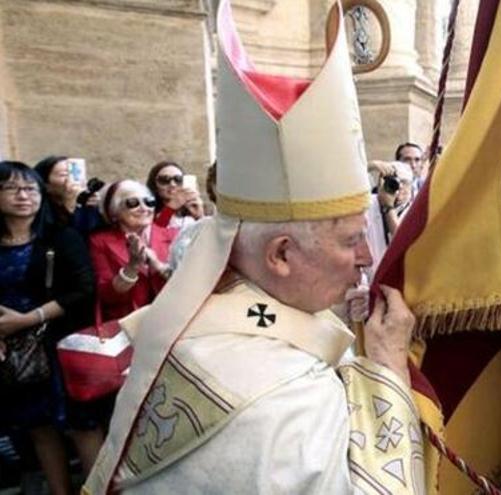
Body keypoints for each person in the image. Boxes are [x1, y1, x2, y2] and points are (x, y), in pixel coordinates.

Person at [83, 2, 430, 492]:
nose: (367, 258)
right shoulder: (284, 400)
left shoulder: (197, 326)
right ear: (281, 255)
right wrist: (390, 364)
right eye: (352, 240)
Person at [0, 161, 102, 494]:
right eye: (12, 188)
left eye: (30, 188)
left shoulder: (60, 236)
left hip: (60, 341)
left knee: (81, 424)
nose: (23, 195)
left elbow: (83, 289)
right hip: (15, 354)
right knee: (38, 427)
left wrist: (27, 320)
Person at [89, 180, 176, 321]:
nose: (144, 208)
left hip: (172, 319)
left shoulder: (173, 235)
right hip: (126, 325)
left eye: (149, 202)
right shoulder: (99, 241)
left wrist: (158, 266)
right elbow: (107, 296)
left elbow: (188, 283)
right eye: (132, 203)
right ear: (114, 212)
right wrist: (133, 266)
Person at [33, 156, 104, 236]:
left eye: (75, 173)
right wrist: (69, 208)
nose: (71, 179)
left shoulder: (84, 204)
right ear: (46, 185)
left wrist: (99, 209)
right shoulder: (36, 209)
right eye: (64, 175)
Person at [145, 161, 205, 230]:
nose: (172, 184)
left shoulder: (194, 208)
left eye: (178, 179)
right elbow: (153, 236)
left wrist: (200, 217)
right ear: (154, 185)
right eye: (164, 180)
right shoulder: (145, 211)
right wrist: (170, 208)